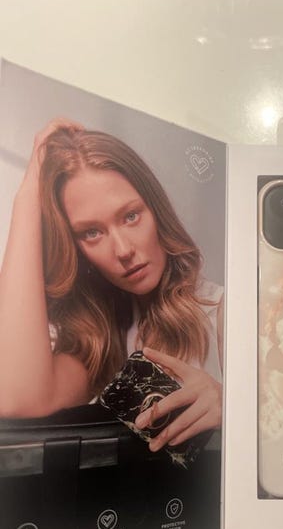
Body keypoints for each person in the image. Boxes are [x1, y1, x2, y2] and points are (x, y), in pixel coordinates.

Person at [0, 119, 223, 453]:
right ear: (77, 248)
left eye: (130, 216)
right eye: (92, 232)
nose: (122, 250)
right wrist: (29, 197)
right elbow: (16, 398)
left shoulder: (222, 312)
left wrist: (232, 404)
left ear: (156, 210)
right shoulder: (98, 339)